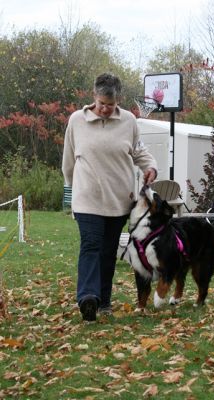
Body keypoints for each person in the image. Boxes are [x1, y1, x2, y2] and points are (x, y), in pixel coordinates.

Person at [62, 73, 157, 322]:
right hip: (87, 199)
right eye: (101, 103)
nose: (105, 109)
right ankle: (88, 298)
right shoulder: (77, 121)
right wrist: (72, 188)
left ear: (118, 100)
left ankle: (103, 301)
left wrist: (150, 168)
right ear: (94, 96)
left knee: (107, 252)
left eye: (110, 105)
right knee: (90, 246)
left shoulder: (128, 121)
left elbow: (140, 152)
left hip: (118, 201)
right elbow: (69, 161)